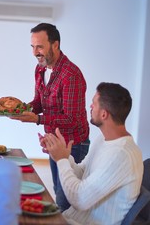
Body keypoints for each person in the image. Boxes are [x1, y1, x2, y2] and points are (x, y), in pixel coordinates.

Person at [9, 23, 90, 211]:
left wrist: (38, 119)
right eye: (32, 47)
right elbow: (39, 102)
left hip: (73, 144)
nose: (35, 52)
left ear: (55, 45)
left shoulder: (71, 75)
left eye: (40, 46)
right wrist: (19, 109)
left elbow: (72, 119)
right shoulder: (40, 69)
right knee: (57, 190)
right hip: (54, 140)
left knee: (66, 200)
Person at [42, 82, 143, 224]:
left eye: (93, 103)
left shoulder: (121, 154)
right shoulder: (104, 139)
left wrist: (61, 160)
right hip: (71, 219)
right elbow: (83, 172)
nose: (90, 106)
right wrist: (62, 154)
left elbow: (79, 199)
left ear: (104, 114)